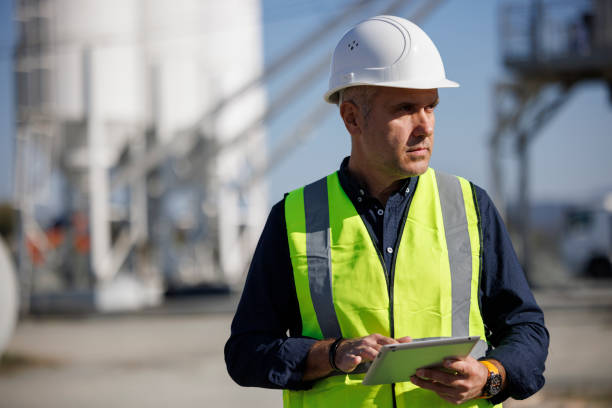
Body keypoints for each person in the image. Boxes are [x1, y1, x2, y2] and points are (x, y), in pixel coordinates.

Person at [225, 15, 549, 407]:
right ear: (352, 118)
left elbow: (526, 329)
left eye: (431, 106)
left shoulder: (470, 206)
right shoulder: (294, 217)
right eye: (406, 108)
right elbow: (246, 352)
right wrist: (330, 355)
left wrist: (490, 377)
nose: (425, 125)